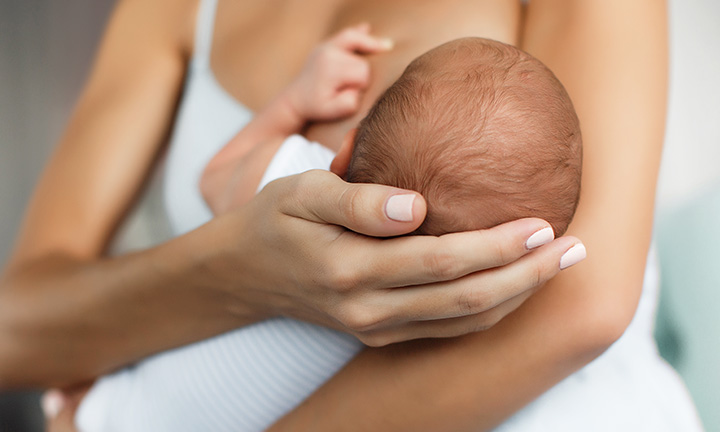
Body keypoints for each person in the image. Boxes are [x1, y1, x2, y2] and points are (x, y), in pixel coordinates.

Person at [0, 0, 698, 431]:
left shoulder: (291, 174)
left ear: (345, 155)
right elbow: (14, 330)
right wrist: (244, 271)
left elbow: (586, 306)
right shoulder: (172, 12)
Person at [74, 35, 584, 432]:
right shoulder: (454, 324)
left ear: (345, 150)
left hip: (118, 411)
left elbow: (215, 177)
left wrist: (294, 104)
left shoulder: (296, 177)